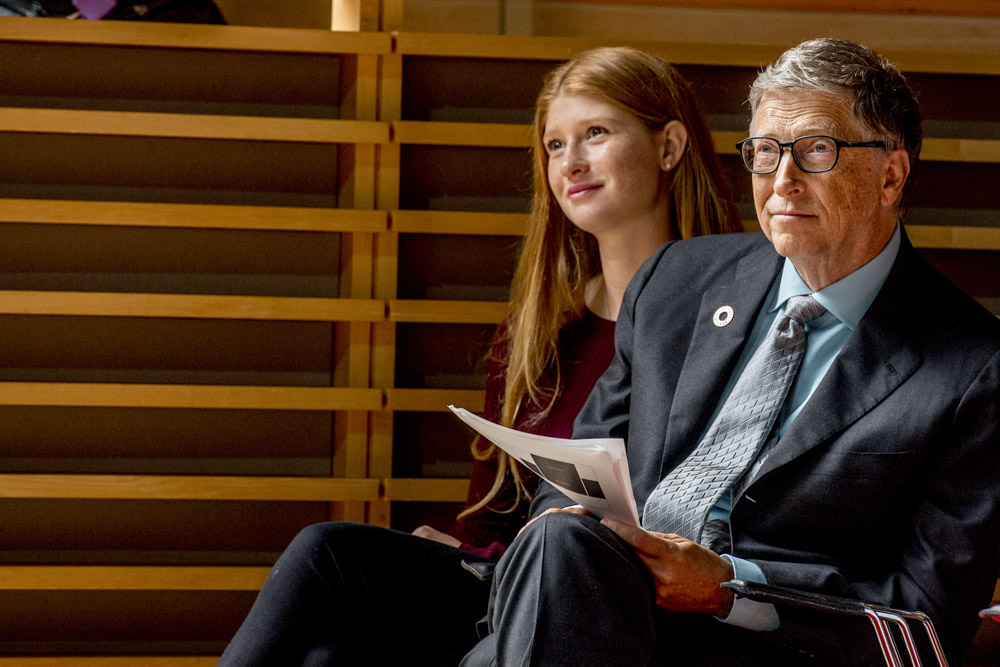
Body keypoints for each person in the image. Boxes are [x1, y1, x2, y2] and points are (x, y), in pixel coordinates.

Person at [460, 38, 1000, 667]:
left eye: (816, 151)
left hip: (760, 637)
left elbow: (925, 628)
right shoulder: (674, 279)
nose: (781, 181)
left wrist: (727, 588)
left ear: (891, 175)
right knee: (330, 560)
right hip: (593, 588)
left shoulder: (975, 368)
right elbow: (571, 472)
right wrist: (564, 536)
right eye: (765, 152)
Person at [217, 46, 739, 666]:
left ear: (669, 146)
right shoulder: (540, 334)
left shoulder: (732, 319)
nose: (571, 163)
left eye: (595, 134)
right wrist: (454, 548)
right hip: (505, 582)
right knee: (332, 655)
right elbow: (493, 514)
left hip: (627, 599)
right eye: (554, 146)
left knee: (326, 551)